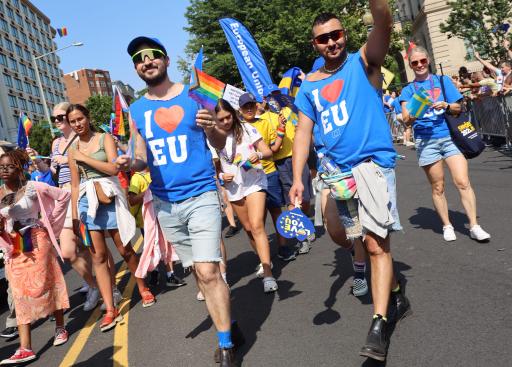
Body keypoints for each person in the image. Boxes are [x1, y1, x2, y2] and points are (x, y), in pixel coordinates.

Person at [290, 6, 411, 361]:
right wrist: (298, 179)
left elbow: (384, 22)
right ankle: (395, 288)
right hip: (336, 175)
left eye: (337, 34)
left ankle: (380, 322)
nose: (332, 42)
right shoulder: (309, 86)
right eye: (323, 38)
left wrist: (378, 9)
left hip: (373, 167)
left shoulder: (364, 62)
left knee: (375, 245)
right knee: (342, 234)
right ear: (315, 45)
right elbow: (302, 133)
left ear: (345, 35)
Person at [118, 36, 240, 366]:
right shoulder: (137, 109)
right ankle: (230, 323)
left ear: (166, 59)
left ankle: (226, 345)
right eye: (139, 59)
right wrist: (132, 164)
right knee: (200, 274)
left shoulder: (194, 93)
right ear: (136, 68)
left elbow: (219, 138)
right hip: (165, 204)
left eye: (152, 55)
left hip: (201, 194)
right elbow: (140, 155)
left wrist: (212, 125)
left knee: (208, 270)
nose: (147, 62)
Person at [68, 104, 155, 333]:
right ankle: (109, 309)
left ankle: (143, 286)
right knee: (98, 258)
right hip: (87, 201)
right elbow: (75, 185)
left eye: (80, 118)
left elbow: (113, 169)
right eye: (73, 121)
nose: (77, 124)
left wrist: (83, 158)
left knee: (125, 249)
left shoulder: (103, 138)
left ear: (87, 117)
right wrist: (76, 217)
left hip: (108, 195)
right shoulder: (72, 148)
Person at [400, 46, 491, 243]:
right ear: (410, 65)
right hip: (426, 141)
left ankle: (474, 226)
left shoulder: (442, 81)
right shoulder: (408, 90)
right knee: (438, 187)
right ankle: (447, 225)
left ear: (428, 60)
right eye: (415, 63)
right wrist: (416, 110)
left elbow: (459, 107)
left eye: (422, 61)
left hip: (450, 137)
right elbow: (406, 120)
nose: (420, 65)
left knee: (462, 182)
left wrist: (446, 105)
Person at [0, 150, 70, 365]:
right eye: (1, 167)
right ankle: (25, 348)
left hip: (38, 242)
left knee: (48, 283)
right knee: (19, 294)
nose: (3, 170)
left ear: (19, 168)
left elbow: (64, 196)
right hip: (15, 247)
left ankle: (60, 327)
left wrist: (49, 222)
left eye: (9, 166)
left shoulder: (33, 187)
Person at [214, 98, 278, 293]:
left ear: (233, 114)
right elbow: (215, 167)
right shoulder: (213, 138)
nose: (226, 122)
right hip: (234, 187)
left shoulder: (247, 129)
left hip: (255, 181)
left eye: (228, 117)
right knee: (249, 228)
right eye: (221, 119)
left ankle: (268, 274)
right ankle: (263, 260)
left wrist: (258, 155)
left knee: (257, 224)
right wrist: (221, 175)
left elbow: (267, 151)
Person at [50, 102, 99, 312]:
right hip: (62, 195)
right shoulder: (55, 143)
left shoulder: (82, 139)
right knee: (70, 251)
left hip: (81, 192)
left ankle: (107, 287)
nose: (57, 122)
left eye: (61, 117)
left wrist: (68, 159)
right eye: (55, 119)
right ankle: (94, 285)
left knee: (92, 248)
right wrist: (48, 165)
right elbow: (54, 174)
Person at [238, 93, 298, 261]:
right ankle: (263, 258)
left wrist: (280, 130)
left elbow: (274, 149)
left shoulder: (264, 123)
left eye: (251, 105)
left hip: (269, 173)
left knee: (276, 211)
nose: (249, 109)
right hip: (248, 179)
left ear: (257, 105)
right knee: (254, 222)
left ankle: (283, 247)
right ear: (240, 109)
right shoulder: (236, 128)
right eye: (245, 106)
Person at [128, 165, 186, 287]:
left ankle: (170, 275)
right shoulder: (136, 178)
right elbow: (132, 200)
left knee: (169, 244)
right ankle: (154, 271)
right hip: (148, 221)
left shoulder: (158, 173)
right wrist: (147, 192)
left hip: (164, 215)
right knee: (152, 246)